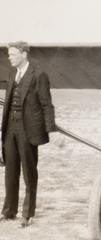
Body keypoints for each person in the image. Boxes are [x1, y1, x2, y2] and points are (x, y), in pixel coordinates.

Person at [0, 41, 56, 227]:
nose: (10, 58)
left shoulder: (38, 75)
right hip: (10, 129)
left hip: (28, 131)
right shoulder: (12, 74)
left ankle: (27, 214)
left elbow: (47, 104)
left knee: (29, 174)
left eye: (13, 54)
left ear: (24, 54)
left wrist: (50, 130)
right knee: (10, 171)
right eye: (9, 55)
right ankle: (9, 211)